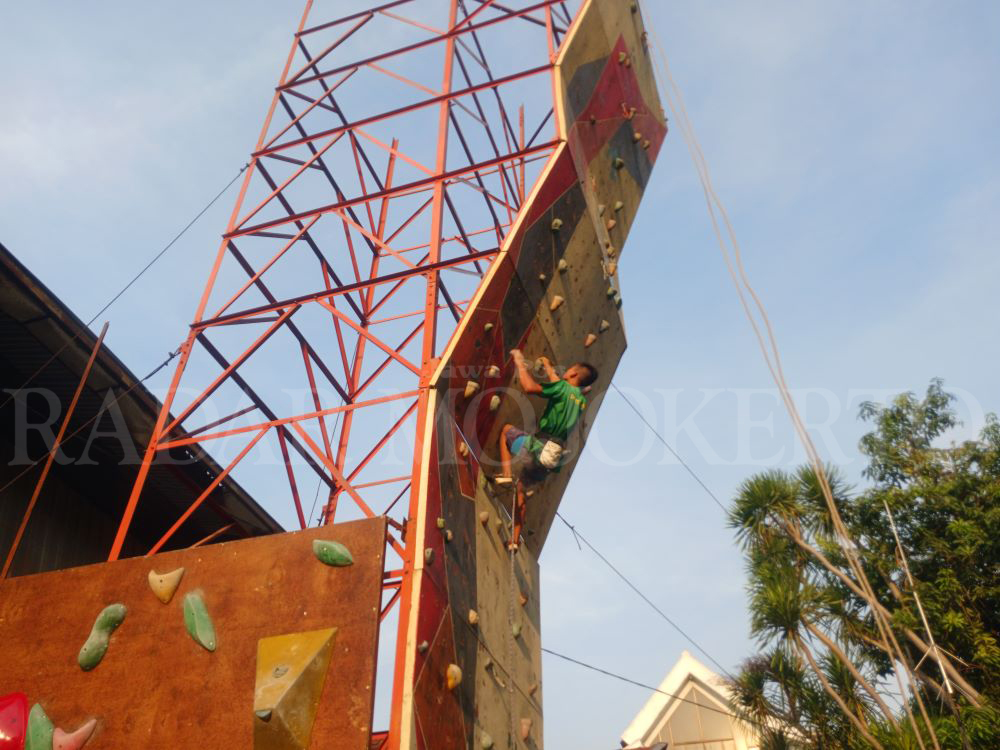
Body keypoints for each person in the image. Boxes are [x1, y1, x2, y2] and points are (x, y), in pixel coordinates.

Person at [495, 349, 598, 549]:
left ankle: (506, 473)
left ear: (573, 374)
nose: (564, 371)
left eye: (568, 370)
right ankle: (515, 541)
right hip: (552, 459)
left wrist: (519, 362)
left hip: (539, 447)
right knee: (521, 489)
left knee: (506, 431)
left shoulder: (562, 388)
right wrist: (549, 367)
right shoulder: (580, 400)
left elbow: (529, 387)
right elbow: (561, 385)